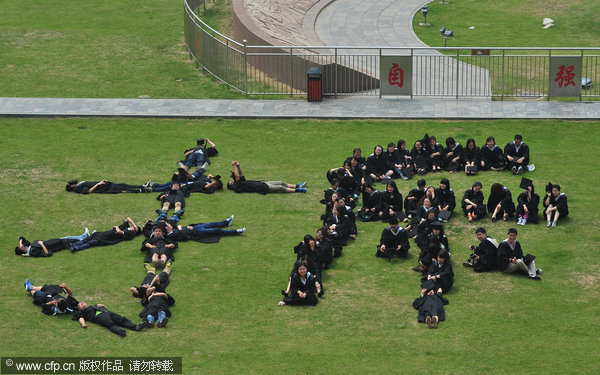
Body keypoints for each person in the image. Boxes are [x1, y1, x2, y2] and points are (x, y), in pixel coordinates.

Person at [227, 160, 306, 194]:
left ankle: (297, 185)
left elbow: (241, 175)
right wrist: (233, 166)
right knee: (280, 187)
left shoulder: (241, 182)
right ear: (232, 186)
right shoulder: (237, 187)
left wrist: (238, 166)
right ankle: (298, 190)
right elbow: (237, 176)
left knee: (281, 182)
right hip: (262, 187)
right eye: (231, 182)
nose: (232, 181)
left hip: (263, 182)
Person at [69, 217, 141, 252]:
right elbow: (128, 218)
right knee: (88, 238)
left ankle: (75, 248)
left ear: (135, 232)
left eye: (135, 229)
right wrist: (134, 224)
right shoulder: (127, 227)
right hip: (105, 233)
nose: (133, 228)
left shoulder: (130, 234)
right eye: (134, 227)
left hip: (109, 238)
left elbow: (119, 232)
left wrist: (116, 227)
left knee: (92, 242)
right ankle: (73, 244)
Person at [73, 302, 145, 336]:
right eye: (79, 304)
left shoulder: (93, 306)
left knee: (121, 319)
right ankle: (119, 331)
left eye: (82, 302)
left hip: (107, 312)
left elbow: (106, 308)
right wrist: (83, 323)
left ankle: (136, 327)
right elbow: (81, 318)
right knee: (109, 323)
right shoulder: (81, 312)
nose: (81, 303)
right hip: (98, 316)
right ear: (79, 308)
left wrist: (102, 305)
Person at [15, 229, 89, 257]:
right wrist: (42, 244)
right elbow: (47, 254)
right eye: (23, 247)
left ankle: (84, 235)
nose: (24, 246)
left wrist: (20, 244)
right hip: (54, 246)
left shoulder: (29, 246)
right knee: (69, 240)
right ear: (23, 250)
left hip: (52, 242)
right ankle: (86, 236)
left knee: (67, 237)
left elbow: (21, 238)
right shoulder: (33, 252)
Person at [65, 179, 144, 194]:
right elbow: (88, 191)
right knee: (121, 189)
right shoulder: (78, 188)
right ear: (72, 186)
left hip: (104, 185)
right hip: (103, 188)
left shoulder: (78, 185)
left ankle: (140, 186)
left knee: (122, 185)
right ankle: (139, 190)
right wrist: (98, 184)